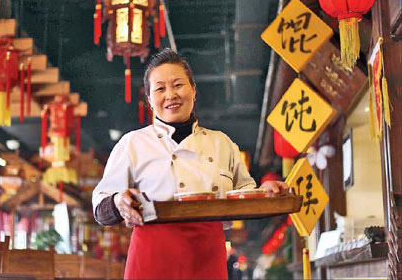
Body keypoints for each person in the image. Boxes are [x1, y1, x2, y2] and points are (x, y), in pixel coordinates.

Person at [92, 48, 288, 279]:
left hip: (207, 257)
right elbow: (100, 210)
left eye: (178, 85)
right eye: (160, 88)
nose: (170, 95)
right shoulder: (133, 143)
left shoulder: (221, 143)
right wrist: (117, 203)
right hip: (152, 258)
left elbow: (245, 195)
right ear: (150, 100)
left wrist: (265, 192)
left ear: (194, 90)